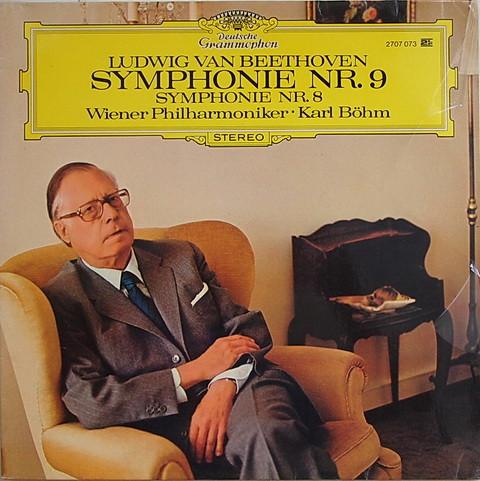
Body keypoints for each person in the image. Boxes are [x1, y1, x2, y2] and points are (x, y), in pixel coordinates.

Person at [43, 162, 338, 480]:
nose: (111, 214)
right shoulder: (64, 298)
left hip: (245, 387)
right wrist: (193, 372)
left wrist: (223, 385)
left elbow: (246, 326)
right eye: (90, 210)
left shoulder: (181, 256)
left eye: (113, 199)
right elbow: (90, 400)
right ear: (63, 230)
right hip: (167, 423)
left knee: (266, 432)